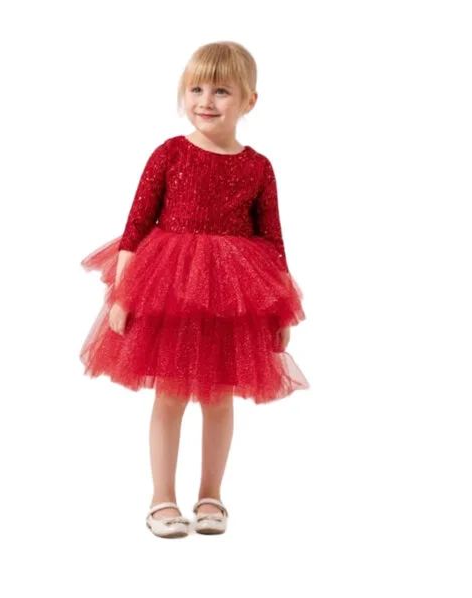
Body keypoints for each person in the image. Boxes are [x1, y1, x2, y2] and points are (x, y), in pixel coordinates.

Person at [80, 41, 309, 538]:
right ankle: (162, 498)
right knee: (170, 394)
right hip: (171, 290)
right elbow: (136, 226)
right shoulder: (170, 153)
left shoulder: (258, 167)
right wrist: (123, 294)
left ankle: (211, 495)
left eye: (222, 91)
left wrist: (280, 310)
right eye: (196, 89)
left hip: (231, 295)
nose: (206, 101)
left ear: (249, 101)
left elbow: (272, 240)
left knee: (219, 397)